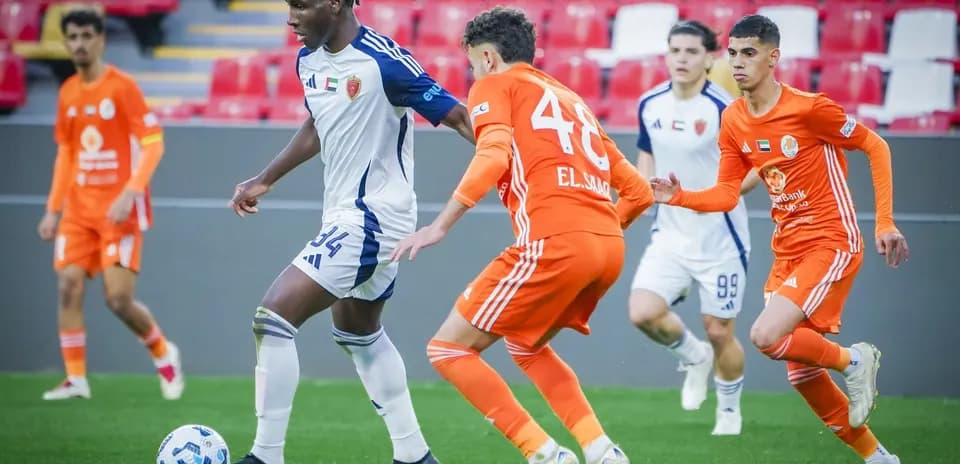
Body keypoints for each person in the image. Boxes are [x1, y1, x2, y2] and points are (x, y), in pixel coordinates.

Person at [391, 7, 654, 464]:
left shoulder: (493, 85)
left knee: (448, 349)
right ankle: (601, 450)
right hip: (608, 247)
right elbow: (638, 192)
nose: (473, 72)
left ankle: (544, 454)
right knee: (526, 343)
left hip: (555, 242)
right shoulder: (573, 100)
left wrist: (441, 224)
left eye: (473, 63)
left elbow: (492, 153)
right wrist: (599, 230)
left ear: (489, 58)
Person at [649, 15, 908, 464]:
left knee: (765, 336)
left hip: (831, 239)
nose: (738, 62)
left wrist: (884, 222)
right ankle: (878, 457)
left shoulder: (810, 109)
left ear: (773, 58)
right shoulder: (732, 119)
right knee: (801, 371)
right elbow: (727, 194)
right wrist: (680, 196)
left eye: (749, 53)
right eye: (732, 53)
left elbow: (875, 145)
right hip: (786, 250)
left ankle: (854, 361)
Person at [227, 1, 473, 463]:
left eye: (301, 5)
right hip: (345, 214)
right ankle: (415, 456)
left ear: (336, 3)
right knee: (358, 332)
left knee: (274, 317)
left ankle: (265, 456)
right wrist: (265, 178)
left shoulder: (384, 61)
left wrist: (520, 166)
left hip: (374, 217)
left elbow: (459, 116)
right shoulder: (308, 60)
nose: (292, 17)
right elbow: (320, 123)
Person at [36, 7, 183, 401]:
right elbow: (66, 153)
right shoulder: (67, 92)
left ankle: (162, 351)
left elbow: (153, 144)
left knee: (117, 300)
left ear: (100, 39)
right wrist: (53, 208)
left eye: (87, 36)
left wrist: (130, 191)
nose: (80, 44)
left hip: (120, 210)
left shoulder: (122, 88)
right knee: (68, 285)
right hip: (78, 211)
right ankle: (76, 379)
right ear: (65, 42)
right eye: (73, 37)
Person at [627, 20, 760, 436]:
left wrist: (720, 195)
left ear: (709, 58)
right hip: (670, 232)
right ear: (667, 55)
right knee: (643, 312)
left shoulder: (725, 109)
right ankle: (693, 356)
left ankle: (729, 411)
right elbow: (645, 153)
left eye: (691, 52)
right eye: (675, 51)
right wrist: (645, 188)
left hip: (721, 237)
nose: (682, 59)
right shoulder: (650, 103)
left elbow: (757, 164)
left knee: (720, 331)